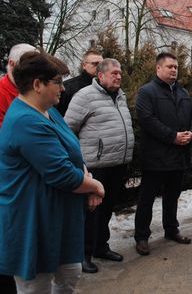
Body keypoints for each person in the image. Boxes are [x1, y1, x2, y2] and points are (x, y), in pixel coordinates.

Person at [0, 52, 104, 294]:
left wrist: (86, 176)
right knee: (37, 287)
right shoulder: (25, 120)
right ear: (37, 84)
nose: (63, 88)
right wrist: (95, 187)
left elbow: (72, 150)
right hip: (32, 220)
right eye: (58, 82)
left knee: (69, 274)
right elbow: (60, 173)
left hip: (56, 217)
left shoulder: (49, 111)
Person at [64, 59, 134, 273]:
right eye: (114, 73)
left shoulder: (120, 97)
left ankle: (101, 246)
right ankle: (82, 254)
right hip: (95, 166)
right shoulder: (85, 96)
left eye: (120, 73)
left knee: (106, 209)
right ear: (101, 76)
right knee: (90, 211)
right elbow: (68, 129)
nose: (119, 76)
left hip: (117, 164)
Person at [134, 52, 192, 256]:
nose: (173, 70)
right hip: (155, 157)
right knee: (147, 198)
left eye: (176, 67)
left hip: (178, 156)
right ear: (158, 69)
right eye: (169, 66)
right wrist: (172, 136)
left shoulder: (182, 92)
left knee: (172, 197)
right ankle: (142, 237)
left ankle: (171, 229)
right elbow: (147, 120)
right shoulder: (147, 92)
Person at [0, 43, 35, 294]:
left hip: (20, 184)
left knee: (10, 242)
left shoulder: (31, 94)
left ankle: (7, 284)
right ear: (11, 65)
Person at [56, 50, 103, 115]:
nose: (99, 67)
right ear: (84, 65)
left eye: (102, 64)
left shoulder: (107, 87)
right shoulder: (67, 87)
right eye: (95, 64)